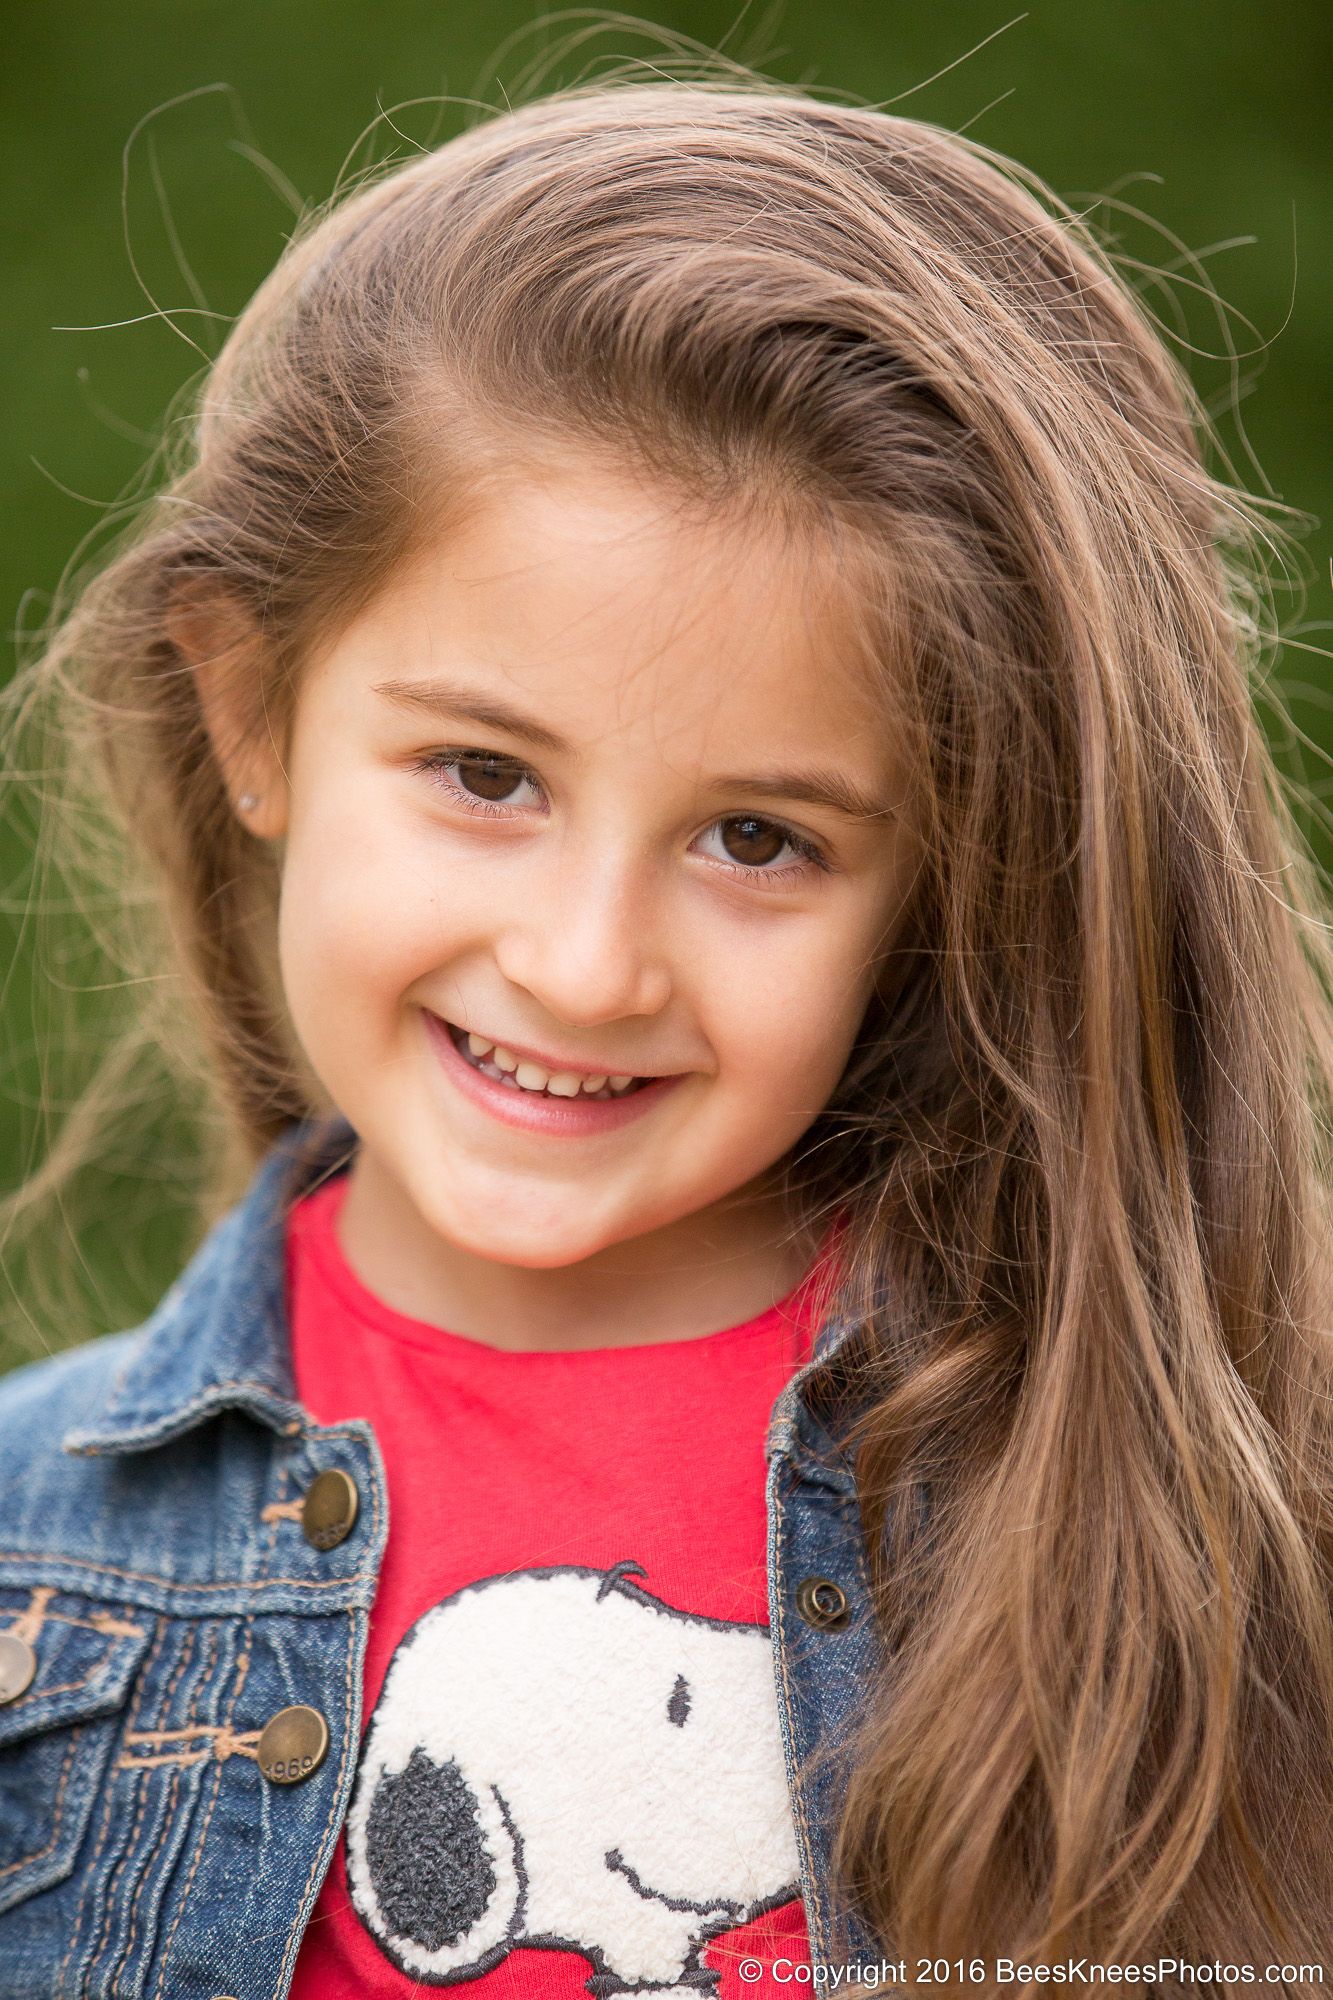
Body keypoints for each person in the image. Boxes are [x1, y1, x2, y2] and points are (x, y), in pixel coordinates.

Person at [1, 54, 1331, 2000]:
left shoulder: (1186, 1555)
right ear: (251, 710)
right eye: (482, 772)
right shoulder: (27, 1550)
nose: (587, 960)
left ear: (950, 883)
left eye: (757, 836)